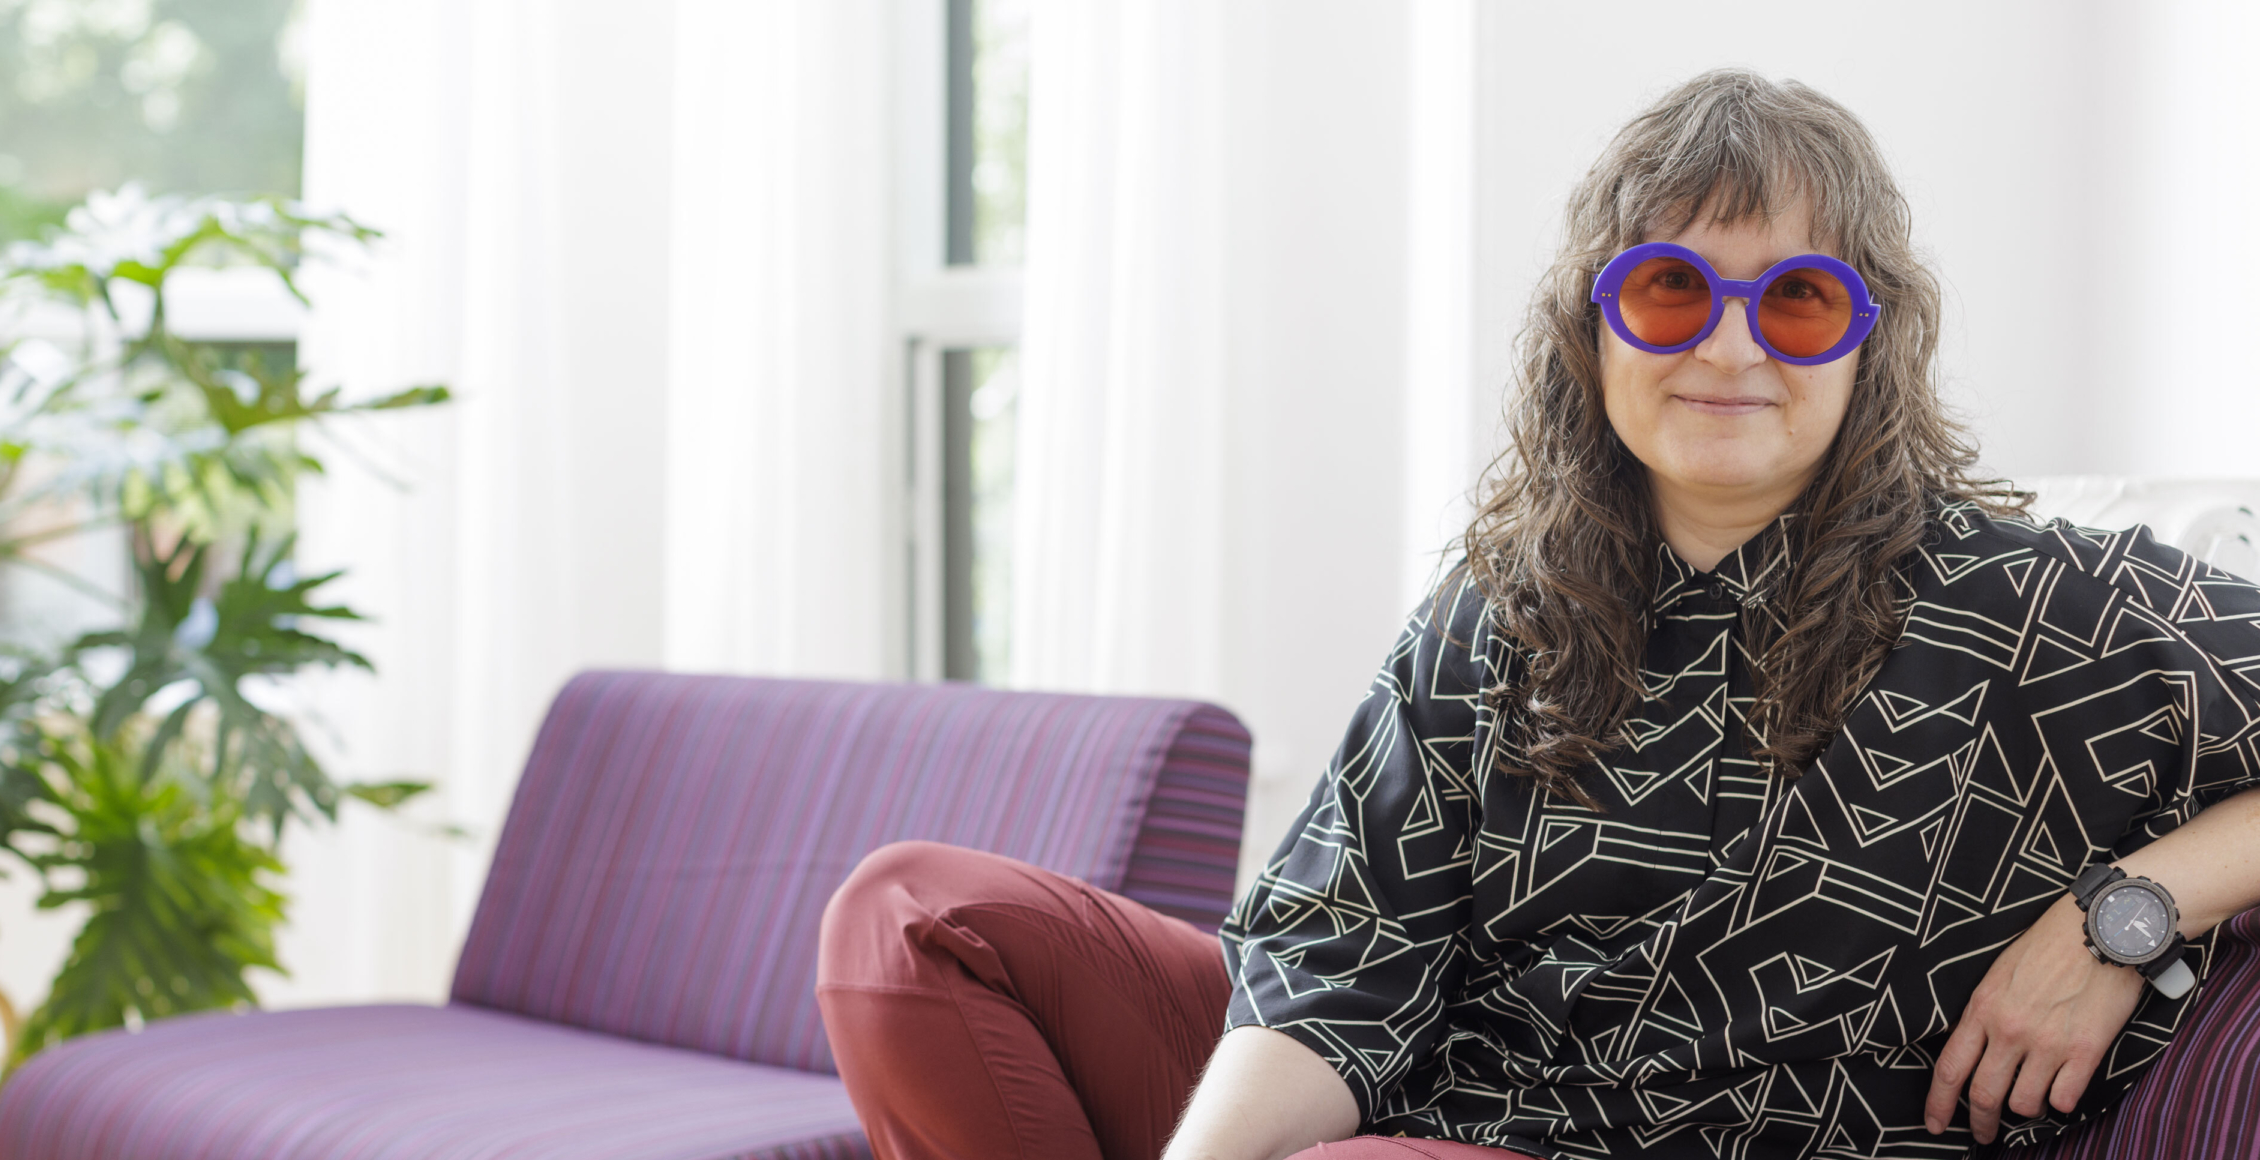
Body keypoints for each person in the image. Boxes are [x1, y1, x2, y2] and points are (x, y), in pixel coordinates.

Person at [814, 69, 2260, 1160]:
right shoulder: (1502, 609)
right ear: (1592, 325)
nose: (1733, 345)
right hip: (1415, 1088)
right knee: (912, 917)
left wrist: (2127, 916)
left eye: (1802, 301)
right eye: (1672, 290)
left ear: (1874, 344)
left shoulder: (2036, 607)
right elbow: (1339, 968)